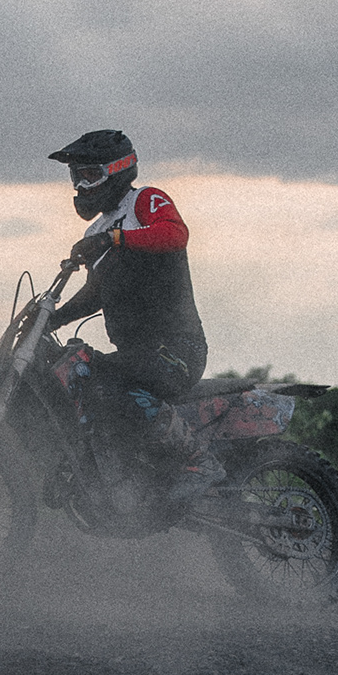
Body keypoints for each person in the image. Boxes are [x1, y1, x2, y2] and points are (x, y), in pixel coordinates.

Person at [45, 129, 224, 503]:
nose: (81, 185)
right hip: (137, 354)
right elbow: (95, 294)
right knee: (78, 374)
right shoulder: (98, 228)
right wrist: (53, 318)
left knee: (101, 381)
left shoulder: (145, 200)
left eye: (90, 175)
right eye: (77, 176)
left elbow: (175, 235)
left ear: (118, 170)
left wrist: (114, 240)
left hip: (176, 350)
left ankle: (199, 460)